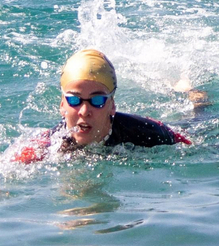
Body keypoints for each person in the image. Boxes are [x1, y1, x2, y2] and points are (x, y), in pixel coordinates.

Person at [10, 49, 207, 163]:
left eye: (97, 101)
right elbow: (4, 167)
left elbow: (196, 145)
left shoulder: (146, 132)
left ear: (111, 106)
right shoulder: (49, 144)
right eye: (74, 100)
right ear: (62, 105)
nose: (84, 111)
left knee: (197, 118)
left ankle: (194, 96)